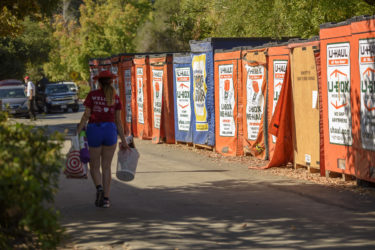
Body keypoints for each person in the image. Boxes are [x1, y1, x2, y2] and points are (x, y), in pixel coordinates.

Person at [77, 70, 129, 208]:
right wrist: (124, 141)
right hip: (110, 131)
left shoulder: (92, 95)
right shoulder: (115, 98)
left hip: (94, 130)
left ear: (98, 82)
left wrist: (78, 131)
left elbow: (86, 115)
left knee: (94, 166)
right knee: (106, 167)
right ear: (111, 82)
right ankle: (106, 199)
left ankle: (99, 188)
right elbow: (118, 121)